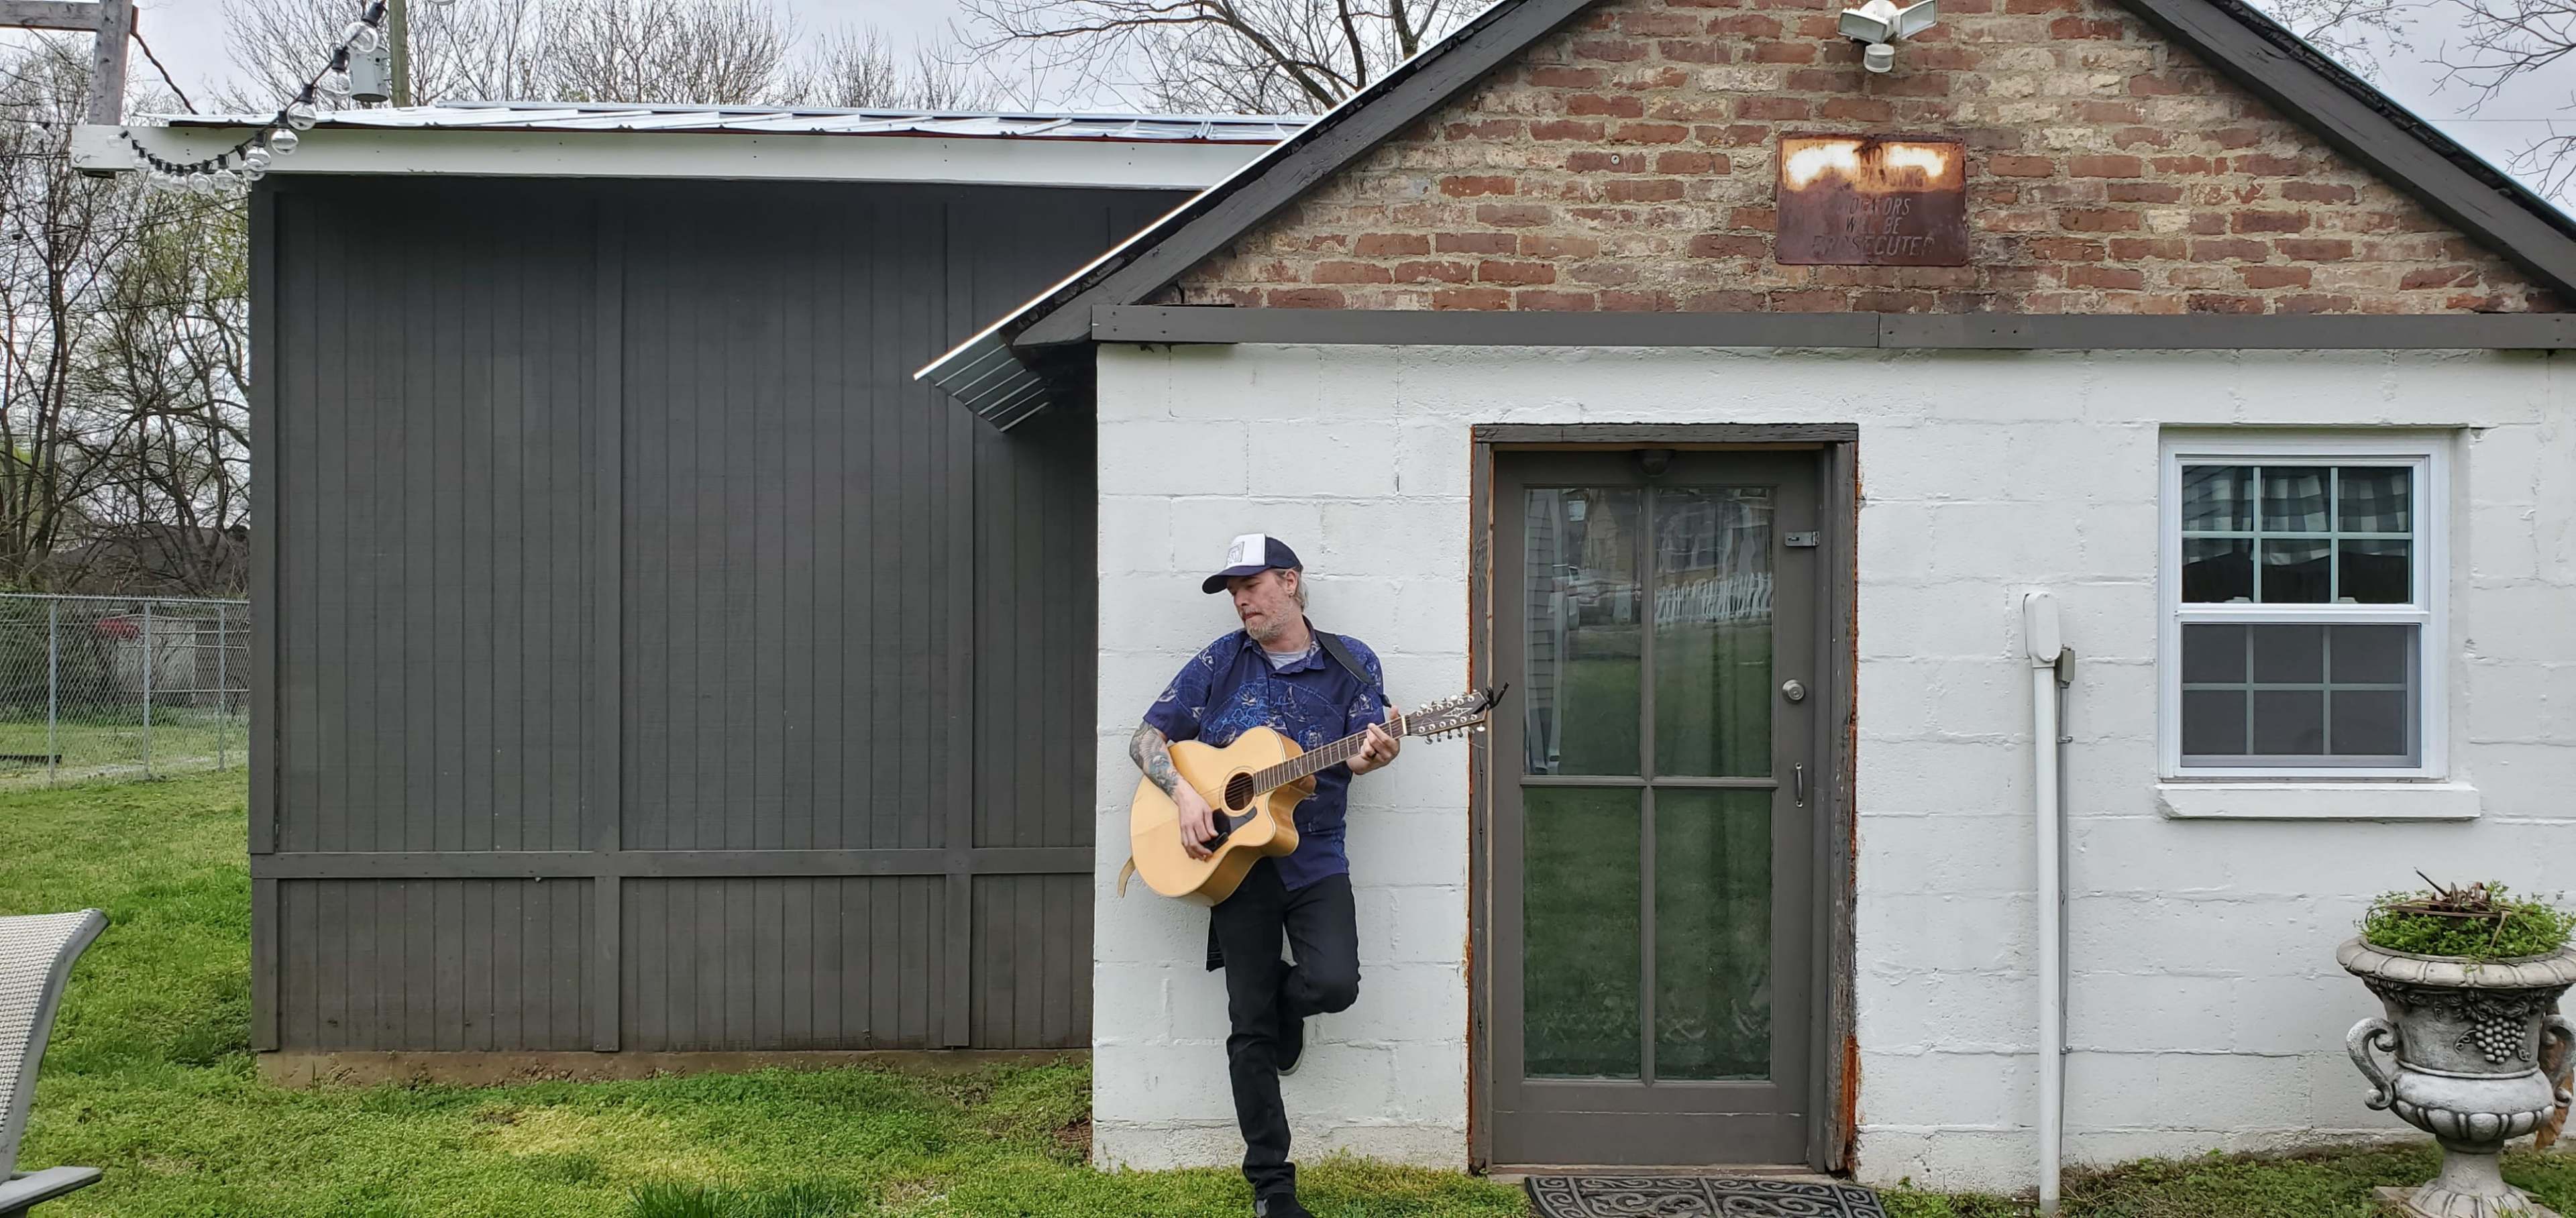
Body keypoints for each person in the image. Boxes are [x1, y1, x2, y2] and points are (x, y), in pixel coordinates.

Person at [1128, 533, 1403, 1218]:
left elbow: (1368, 752)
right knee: (1248, 1028)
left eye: (1250, 585)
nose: (1240, 600)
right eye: (1232, 590)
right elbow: (1145, 738)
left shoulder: (1350, 661)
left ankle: (1290, 1003)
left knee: (1335, 984)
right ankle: (1272, 1188)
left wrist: (1378, 752)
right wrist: (1186, 794)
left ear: (1290, 581)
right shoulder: (1221, 661)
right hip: (1238, 871)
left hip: (1314, 861)